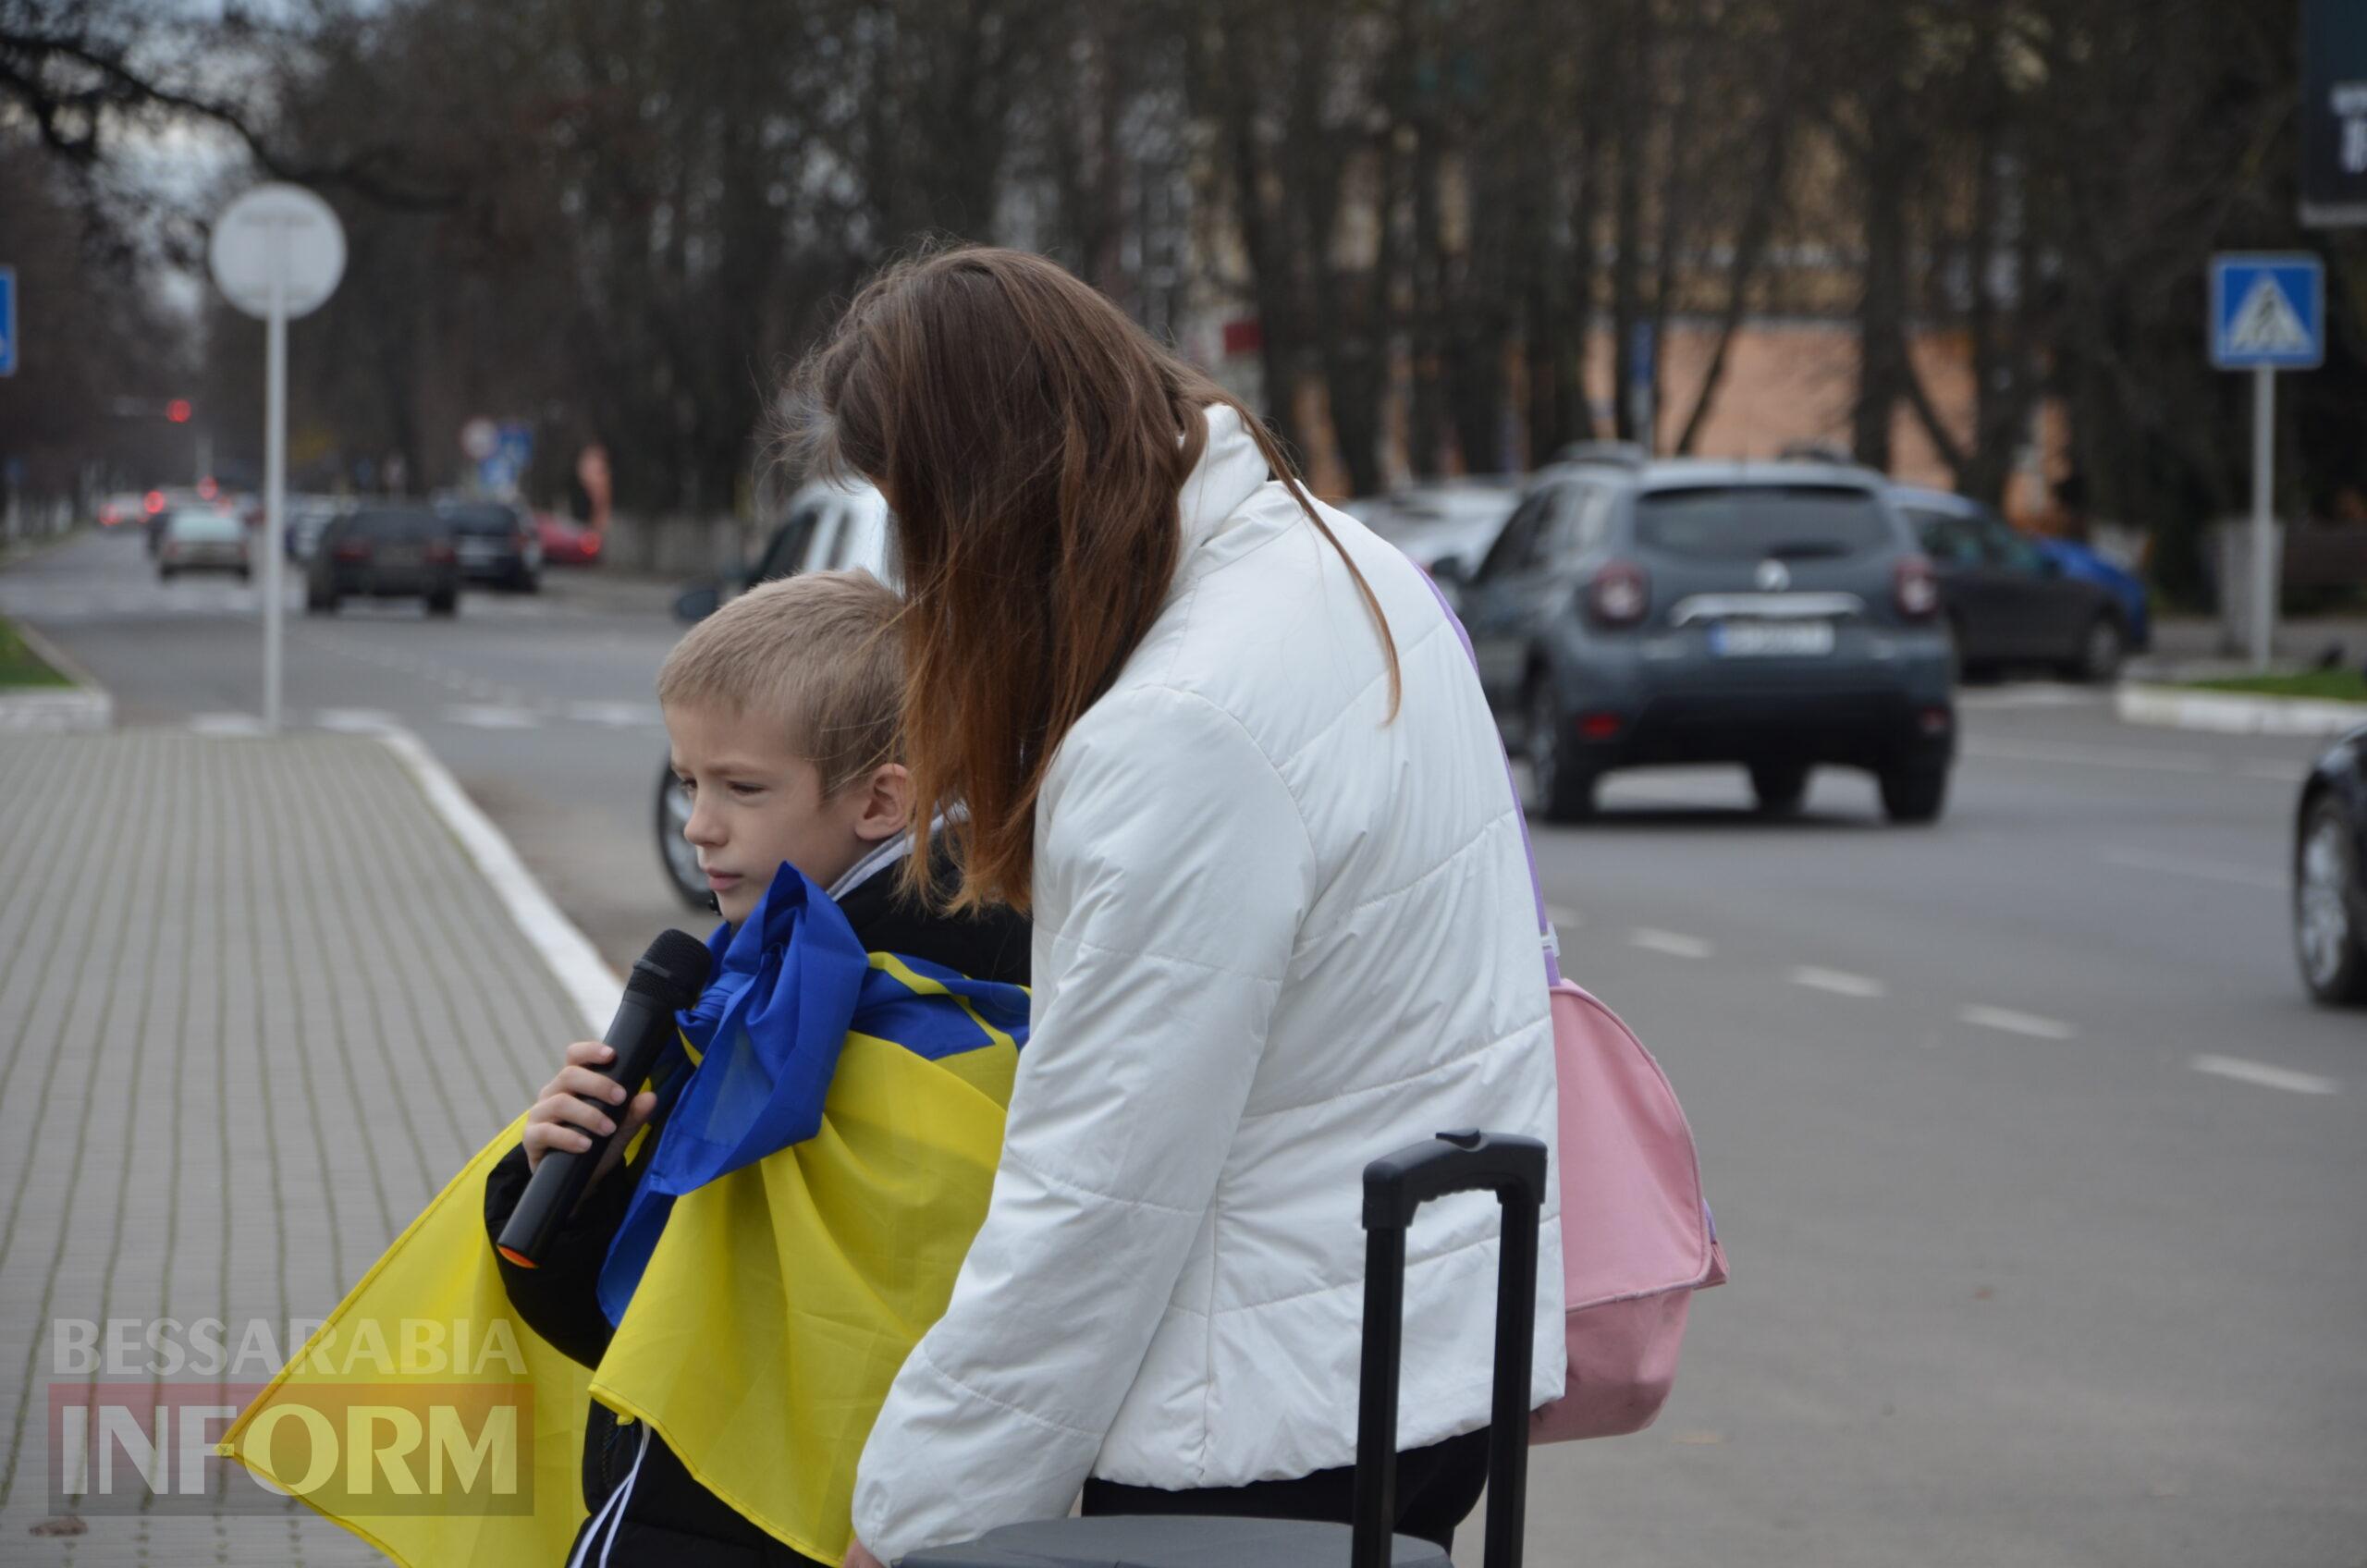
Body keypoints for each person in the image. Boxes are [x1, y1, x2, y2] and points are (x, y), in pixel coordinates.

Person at [791, 248, 1565, 1568]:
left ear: (985, 503)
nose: (921, 583)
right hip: (1404, 1348)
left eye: (913, 519)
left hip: (1265, 1413)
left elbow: (1096, 1200)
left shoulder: (1180, 730)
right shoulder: (1346, 565)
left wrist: (916, 1524)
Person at [484, 569, 1032, 1567]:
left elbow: (663, 1331)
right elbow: (652, 1310)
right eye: (690, 782)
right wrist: (562, 1175)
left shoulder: (814, 1007)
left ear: (879, 799)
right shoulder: (778, 976)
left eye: (741, 788)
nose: (699, 824)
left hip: (724, 1513)